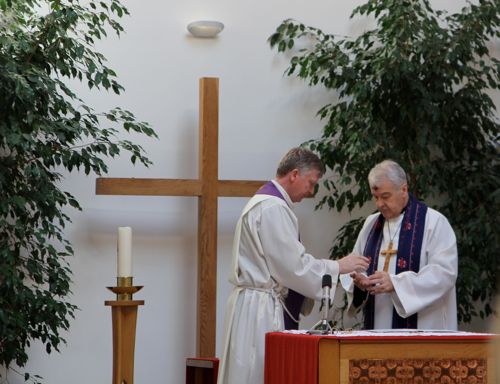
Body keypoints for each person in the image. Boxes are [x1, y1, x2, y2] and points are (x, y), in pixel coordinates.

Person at [217, 147, 369, 384]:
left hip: (254, 304)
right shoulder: (273, 207)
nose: (311, 191)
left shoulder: (265, 202)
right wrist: (338, 267)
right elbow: (292, 267)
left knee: (249, 372)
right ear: (295, 174)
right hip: (260, 310)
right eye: (311, 182)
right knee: (257, 372)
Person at [340, 159, 458, 330]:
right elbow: (355, 263)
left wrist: (396, 284)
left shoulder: (434, 223)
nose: (379, 204)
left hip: (423, 327)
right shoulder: (371, 224)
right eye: (376, 197)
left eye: (385, 196)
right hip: (378, 324)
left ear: (404, 189)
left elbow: (444, 274)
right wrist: (360, 282)